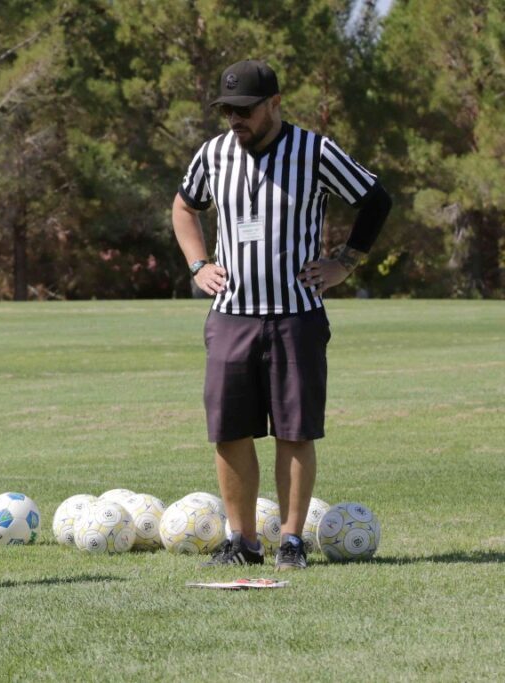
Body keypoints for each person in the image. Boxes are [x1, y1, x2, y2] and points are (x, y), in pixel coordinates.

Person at [171, 60, 392, 570]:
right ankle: (242, 540)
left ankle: (291, 541)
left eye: (245, 110)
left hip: (296, 314)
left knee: (295, 430)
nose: (235, 119)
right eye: (227, 110)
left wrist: (344, 264)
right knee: (229, 430)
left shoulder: (314, 151)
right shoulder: (214, 153)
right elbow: (184, 207)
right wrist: (198, 264)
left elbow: (376, 200)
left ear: (274, 104)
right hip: (232, 315)